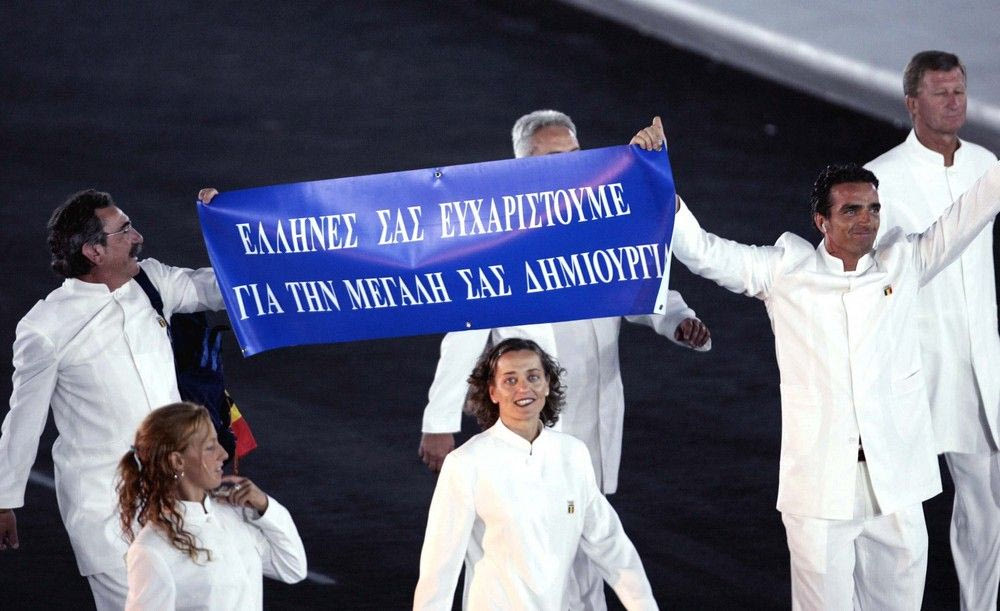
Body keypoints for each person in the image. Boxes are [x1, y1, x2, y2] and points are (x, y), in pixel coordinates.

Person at [632, 115, 1000, 609]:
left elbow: (968, 214)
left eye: (873, 208)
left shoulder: (903, 262)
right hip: (820, 491)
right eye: (851, 210)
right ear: (821, 221)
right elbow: (704, 252)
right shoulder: (785, 272)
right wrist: (655, 176)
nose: (866, 220)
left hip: (896, 488)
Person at [418, 109, 709, 609]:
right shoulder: (498, 237)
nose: (570, 166)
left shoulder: (601, 224)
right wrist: (439, 422)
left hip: (588, 421)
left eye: (575, 155)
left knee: (586, 548)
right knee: (513, 554)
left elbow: (640, 288)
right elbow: (465, 331)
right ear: (522, 167)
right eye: (554, 157)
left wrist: (677, 320)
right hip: (526, 423)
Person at [0, 189, 225, 609]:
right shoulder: (45, 327)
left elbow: (224, 289)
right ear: (94, 251)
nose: (137, 236)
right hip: (107, 511)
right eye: (124, 231)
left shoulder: (152, 283)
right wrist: (3, 500)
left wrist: (228, 225)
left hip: (181, 496)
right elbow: (24, 418)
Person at [865, 50, 1000, 611]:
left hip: (979, 368)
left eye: (959, 91)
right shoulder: (880, 178)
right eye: (940, 93)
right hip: (914, 368)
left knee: (988, 507)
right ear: (911, 103)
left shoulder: (985, 165)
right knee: (896, 518)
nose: (953, 102)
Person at [413, 338, 658, 610]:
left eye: (533, 377)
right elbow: (439, 568)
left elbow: (611, 546)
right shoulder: (466, 463)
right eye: (510, 380)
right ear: (492, 392)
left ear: (548, 384)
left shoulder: (573, 454)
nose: (523, 388)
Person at [118, 402, 306, 609]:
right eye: (210, 447)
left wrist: (265, 505)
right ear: (177, 461)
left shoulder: (235, 514)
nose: (223, 454)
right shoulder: (152, 550)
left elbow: (293, 568)